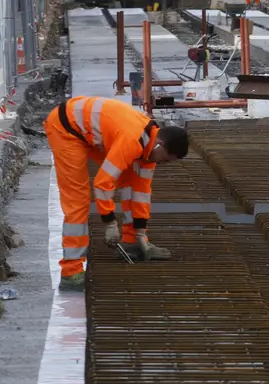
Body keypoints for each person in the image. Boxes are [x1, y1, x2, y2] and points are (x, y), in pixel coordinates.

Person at [43, 96, 190, 291]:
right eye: (165, 159)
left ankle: (131, 242)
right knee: (77, 200)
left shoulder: (149, 149)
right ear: (160, 145)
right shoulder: (132, 140)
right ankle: (71, 271)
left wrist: (140, 233)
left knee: (129, 181)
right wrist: (110, 223)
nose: (164, 164)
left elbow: (141, 192)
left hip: (88, 130)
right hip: (65, 127)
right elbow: (102, 183)